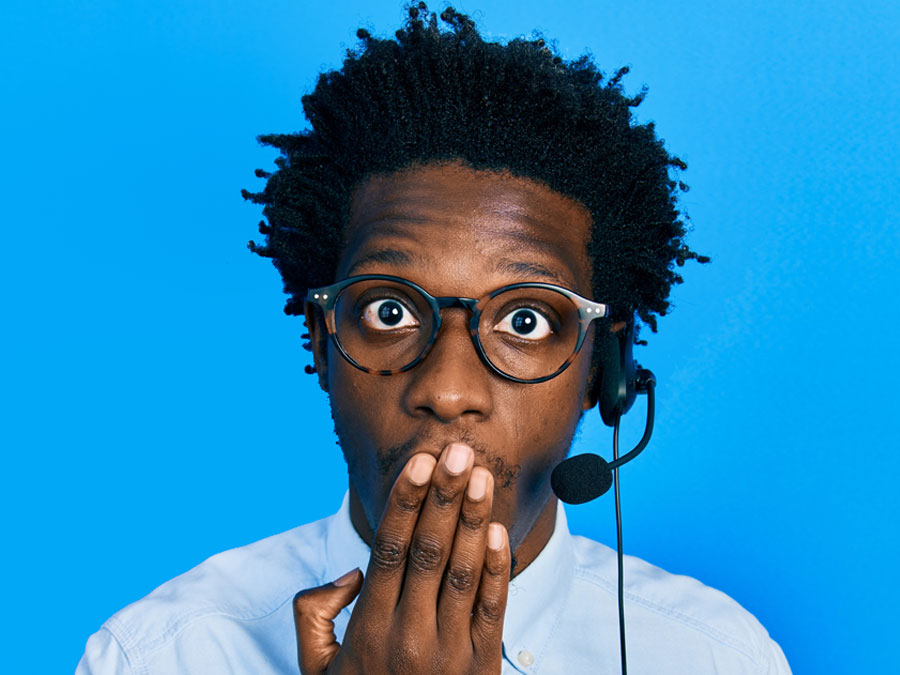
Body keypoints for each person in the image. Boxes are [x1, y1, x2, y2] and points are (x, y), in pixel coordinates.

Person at [77, 5, 790, 674]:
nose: (447, 392)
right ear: (322, 341)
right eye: (390, 312)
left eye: (525, 320)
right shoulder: (159, 656)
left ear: (605, 371)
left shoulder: (717, 657)